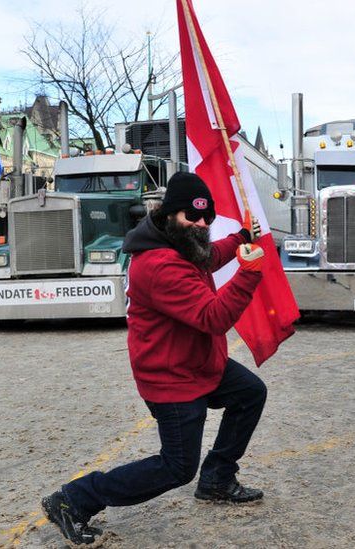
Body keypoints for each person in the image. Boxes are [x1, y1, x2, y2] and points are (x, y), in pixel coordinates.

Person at [42, 172, 267, 547]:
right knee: (177, 467)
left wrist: (242, 238)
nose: (200, 224)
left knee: (250, 393)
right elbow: (214, 317)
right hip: (171, 379)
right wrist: (248, 274)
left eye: (205, 218)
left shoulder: (181, 243)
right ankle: (73, 499)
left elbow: (210, 256)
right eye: (191, 217)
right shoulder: (159, 264)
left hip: (198, 365)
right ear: (167, 214)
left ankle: (217, 479)